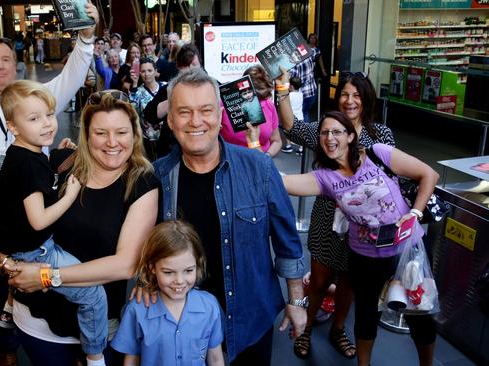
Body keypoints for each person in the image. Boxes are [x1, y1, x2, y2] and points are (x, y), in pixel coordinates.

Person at [0, 1, 99, 364]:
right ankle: (5, 350)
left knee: (51, 284)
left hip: (41, 222)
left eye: (5, 59)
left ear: (16, 64)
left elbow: (72, 77)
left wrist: (86, 34)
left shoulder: (33, 103)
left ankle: (63, 342)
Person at [149, 68, 307, 364]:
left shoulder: (259, 167)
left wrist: (296, 300)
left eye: (205, 110)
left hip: (251, 321)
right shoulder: (156, 177)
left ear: (220, 115)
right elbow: (145, 246)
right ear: (170, 120)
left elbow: (287, 240)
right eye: (184, 112)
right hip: (183, 325)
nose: (196, 121)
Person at [3, 91, 159, 366]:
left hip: (100, 332)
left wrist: (44, 276)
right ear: (86, 135)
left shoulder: (142, 183)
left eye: (121, 132)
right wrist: (8, 264)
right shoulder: (60, 164)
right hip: (39, 324)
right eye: (101, 132)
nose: (112, 143)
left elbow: (125, 265)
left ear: (134, 135)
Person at [282, 111, 439, 366]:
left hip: (406, 251)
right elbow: (283, 183)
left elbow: (429, 175)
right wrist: (255, 148)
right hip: (365, 258)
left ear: (351, 136)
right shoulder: (325, 178)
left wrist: (415, 212)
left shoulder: (378, 153)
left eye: (337, 132)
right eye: (324, 133)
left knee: (419, 316)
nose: (329, 138)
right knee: (366, 317)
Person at [276, 68, 396, 360]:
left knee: (349, 282)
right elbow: (291, 126)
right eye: (344, 94)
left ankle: (338, 328)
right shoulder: (326, 129)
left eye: (356, 95)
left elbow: (390, 175)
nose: (349, 100)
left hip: (366, 227)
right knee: (318, 279)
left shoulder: (380, 135)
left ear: (366, 100)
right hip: (326, 219)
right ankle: (304, 329)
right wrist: (282, 88)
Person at [0, 80, 108, 365]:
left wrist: (55, 157)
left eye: (49, 115)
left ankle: (8, 306)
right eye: (34, 118)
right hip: (37, 251)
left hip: (11, 242)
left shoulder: (21, 154)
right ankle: (95, 355)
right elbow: (39, 220)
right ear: (13, 126)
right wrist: (71, 193)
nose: (46, 124)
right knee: (94, 294)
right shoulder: (31, 165)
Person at [111, 220, 224, 366]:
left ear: (197, 263)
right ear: (152, 267)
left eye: (188, 270)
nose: (179, 281)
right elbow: (131, 360)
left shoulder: (210, 306)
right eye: (169, 272)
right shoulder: (137, 310)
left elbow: (215, 359)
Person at [143, 43, 202, 158]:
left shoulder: (211, 86)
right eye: (186, 66)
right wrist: (173, 99)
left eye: (194, 64)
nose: (191, 70)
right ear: (179, 67)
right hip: (172, 151)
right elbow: (149, 114)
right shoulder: (169, 89)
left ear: (200, 64)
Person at [222, 65, 282, 158]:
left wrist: (266, 157)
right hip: (230, 161)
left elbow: (276, 140)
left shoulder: (268, 105)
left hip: (259, 161)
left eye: (262, 98)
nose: (258, 102)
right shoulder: (223, 106)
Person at [129, 58, 165, 161]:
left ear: (155, 71)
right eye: (143, 71)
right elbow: (133, 112)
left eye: (149, 70)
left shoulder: (165, 87)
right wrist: (134, 83)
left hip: (166, 138)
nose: (146, 74)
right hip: (147, 141)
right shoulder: (137, 92)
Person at [290, 32, 328, 124]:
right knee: (305, 112)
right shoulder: (309, 55)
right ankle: (307, 131)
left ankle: (302, 134)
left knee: (299, 114)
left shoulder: (294, 60)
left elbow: (292, 77)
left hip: (301, 93)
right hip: (311, 92)